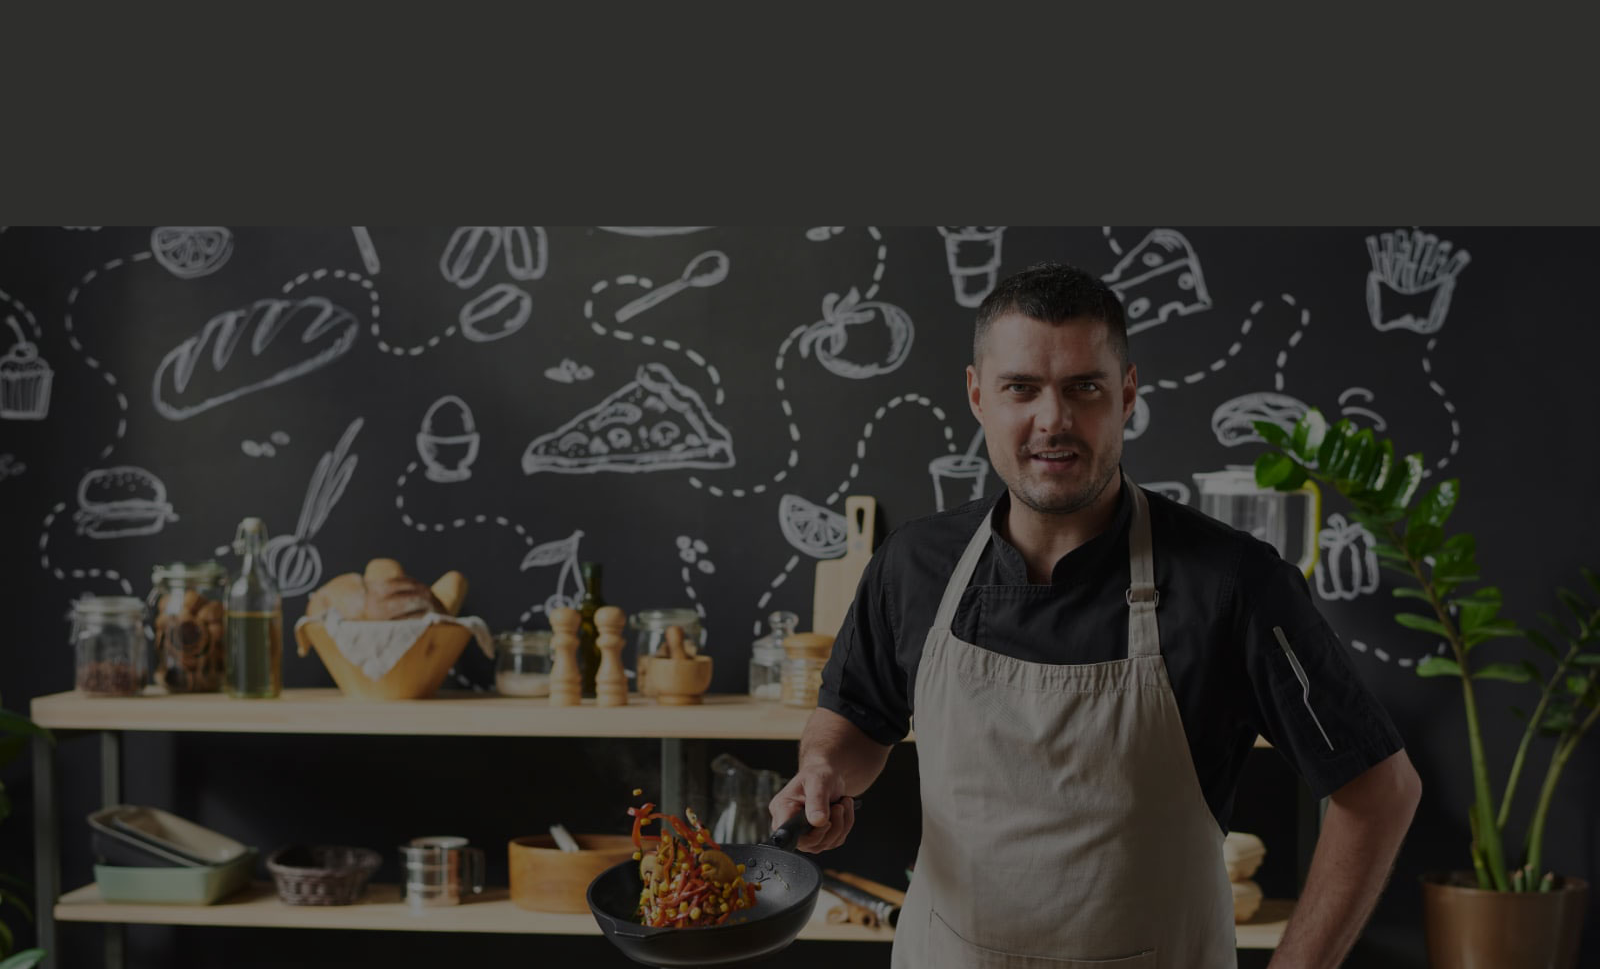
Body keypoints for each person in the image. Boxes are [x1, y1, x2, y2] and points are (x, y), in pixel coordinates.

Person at [770, 263, 1422, 967]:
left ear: (1127, 394)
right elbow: (856, 721)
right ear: (978, 395)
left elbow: (1380, 792)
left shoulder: (1232, 582)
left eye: (1084, 387)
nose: (1053, 419)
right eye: (1021, 388)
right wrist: (823, 769)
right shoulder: (913, 564)